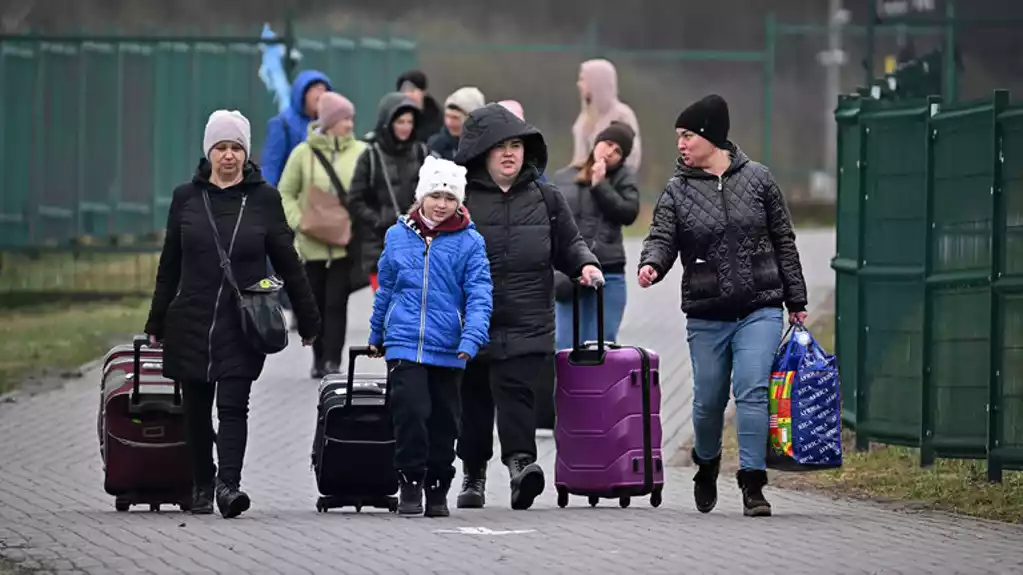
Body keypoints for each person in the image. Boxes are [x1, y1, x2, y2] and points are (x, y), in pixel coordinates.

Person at [637, 94, 809, 518]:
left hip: (760, 306)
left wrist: (797, 299)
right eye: (678, 136)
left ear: (712, 136)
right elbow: (662, 237)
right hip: (707, 311)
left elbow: (784, 240)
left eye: (688, 135)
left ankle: (753, 483)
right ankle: (707, 463)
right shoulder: (677, 192)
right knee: (708, 400)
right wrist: (651, 265)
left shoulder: (760, 180)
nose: (680, 144)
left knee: (751, 391)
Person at [144, 110, 320, 519]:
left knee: (233, 405)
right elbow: (169, 263)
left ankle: (229, 485)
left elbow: (288, 262)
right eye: (221, 148)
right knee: (195, 411)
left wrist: (309, 321)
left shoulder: (264, 199)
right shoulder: (186, 198)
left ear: (246, 152)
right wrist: (156, 321)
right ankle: (202, 484)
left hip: (243, 320)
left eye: (236, 148)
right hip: (191, 318)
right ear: (209, 152)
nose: (229, 156)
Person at [453, 103, 603, 511]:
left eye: (516, 145)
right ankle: (473, 474)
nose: (509, 154)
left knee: (517, 394)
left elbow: (569, 244)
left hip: (526, 315)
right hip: (471, 319)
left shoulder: (545, 196)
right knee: (474, 400)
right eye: (499, 146)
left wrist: (585, 265)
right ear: (481, 151)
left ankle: (522, 467)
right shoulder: (460, 196)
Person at [368, 156, 493, 518]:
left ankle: (438, 485)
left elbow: (480, 294)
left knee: (444, 421)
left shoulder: (470, 242)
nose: (441, 204)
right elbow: (386, 288)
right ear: (421, 196)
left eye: (450, 198)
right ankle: (410, 481)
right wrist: (377, 333)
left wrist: (471, 338)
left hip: (449, 347)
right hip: (404, 341)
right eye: (435, 195)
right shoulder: (397, 236)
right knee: (410, 411)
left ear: (459, 202)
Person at [277, 92, 367, 379]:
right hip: (311, 245)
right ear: (328, 122)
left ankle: (332, 360)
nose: (350, 124)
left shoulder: (362, 152)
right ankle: (317, 358)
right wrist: (298, 221)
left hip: (344, 245)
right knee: (313, 305)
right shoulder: (303, 154)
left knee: (336, 303)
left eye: (352, 118)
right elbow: (285, 193)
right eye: (344, 119)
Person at [552, 121, 640, 351]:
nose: (610, 152)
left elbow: (628, 213)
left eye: (618, 151)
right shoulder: (564, 177)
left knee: (600, 348)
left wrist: (600, 184)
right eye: (608, 144)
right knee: (565, 349)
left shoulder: (623, 179)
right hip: (569, 278)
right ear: (596, 143)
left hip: (607, 275)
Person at [349, 92, 428, 293]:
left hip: (418, 244)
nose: (405, 127)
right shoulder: (371, 156)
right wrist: (377, 219)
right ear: (388, 122)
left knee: (415, 309)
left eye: (410, 121)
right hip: (380, 247)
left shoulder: (422, 153)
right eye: (400, 121)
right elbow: (355, 199)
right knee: (389, 311)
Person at [260, 70, 332, 187]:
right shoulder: (283, 124)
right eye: (315, 89)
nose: (321, 94)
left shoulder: (330, 125)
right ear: (302, 94)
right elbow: (270, 166)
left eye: (324, 91)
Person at [571, 59, 642, 172]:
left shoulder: (622, 115)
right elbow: (579, 158)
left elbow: (632, 156)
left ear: (596, 82)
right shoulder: (585, 117)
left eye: (583, 80)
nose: (579, 84)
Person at [427, 86, 486, 161]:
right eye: (447, 116)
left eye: (455, 118)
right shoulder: (437, 145)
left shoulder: (488, 145)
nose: (449, 122)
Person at [396, 69, 443, 144]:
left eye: (412, 90)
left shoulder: (437, 118)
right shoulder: (394, 115)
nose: (408, 95)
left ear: (423, 92)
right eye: (403, 90)